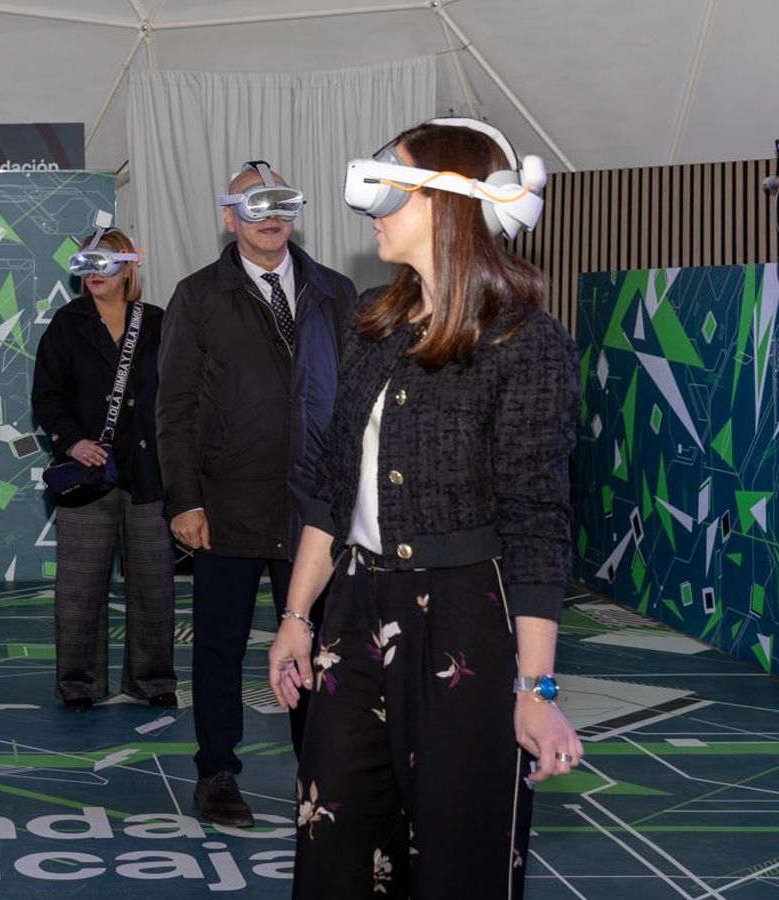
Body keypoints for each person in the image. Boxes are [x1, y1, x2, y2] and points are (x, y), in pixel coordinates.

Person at [266, 119, 581, 899]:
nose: (372, 210)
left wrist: (536, 691)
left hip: (466, 621)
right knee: (333, 842)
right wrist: (297, 618)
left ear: (448, 203)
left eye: (390, 191)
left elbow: (536, 522)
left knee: (458, 856)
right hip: (354, 614)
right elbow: (333, 486)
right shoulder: (372, 321)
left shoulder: (525, 341)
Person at [156, 161, 357, 827]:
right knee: (219, 645)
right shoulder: (197, 295)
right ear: (229, 215)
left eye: (281, 204)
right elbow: (174, 407)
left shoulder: (335, 292)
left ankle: (318, 772)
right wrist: (184, 500)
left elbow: (356, 402)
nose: (271, 216)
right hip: (226, 506)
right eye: (254, 204)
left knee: (319, 646)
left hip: (316, 511)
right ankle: (217, 771)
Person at [31, 225, 177, 712]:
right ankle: (78, 683)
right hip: (88, 477)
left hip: (148, 474)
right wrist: (71, 442)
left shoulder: (157, 322)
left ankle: (153, 680)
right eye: (86, 262)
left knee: (154, 584)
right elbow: (46, 395)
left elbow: (178, 394)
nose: (94, 271)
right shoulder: (66, 323)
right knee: (79, 588)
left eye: (105, 261)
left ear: (128, 267)